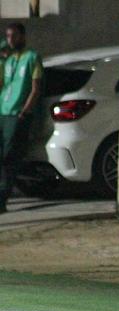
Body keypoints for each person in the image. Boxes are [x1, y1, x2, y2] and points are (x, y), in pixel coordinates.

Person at [0, 23, 42, 214]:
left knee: (10, 157)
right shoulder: (7, 61)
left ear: (22, 36)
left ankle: (2, 198)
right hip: (3, 110)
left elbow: (35, 88)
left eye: (14, 36)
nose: (11, 40)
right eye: (8, 36)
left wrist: (24, 112)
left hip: (17, 113)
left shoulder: (32, 57)